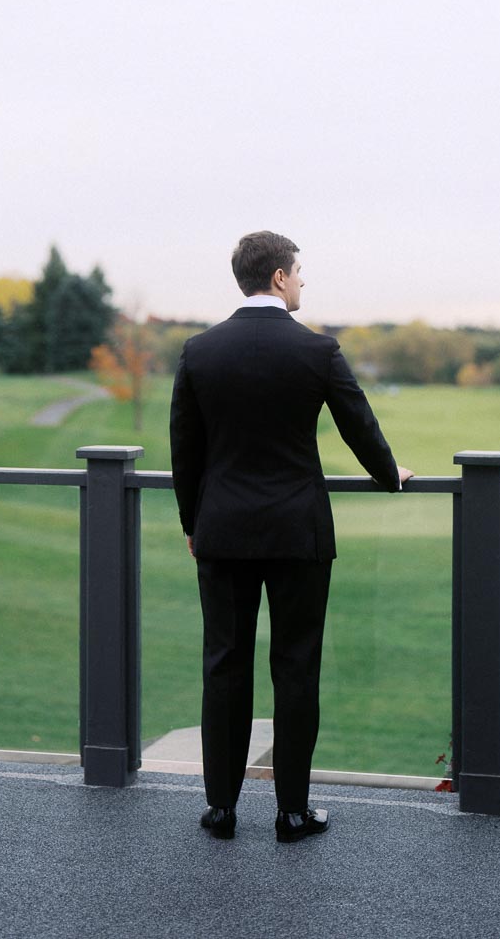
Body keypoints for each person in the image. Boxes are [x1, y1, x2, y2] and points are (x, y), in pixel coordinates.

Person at [170, 230, 413, 843]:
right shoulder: (317, 351)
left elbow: (184, 452)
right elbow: (360, 426)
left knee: (224, 666)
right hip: (297, 530)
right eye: (299, 271)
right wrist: (391, 476)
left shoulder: (199, 351)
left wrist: (193, 526)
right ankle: (293, 813)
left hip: (222, 531)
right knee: (296, 668)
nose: (303, 280)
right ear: (278, 278)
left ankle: (221, 810)